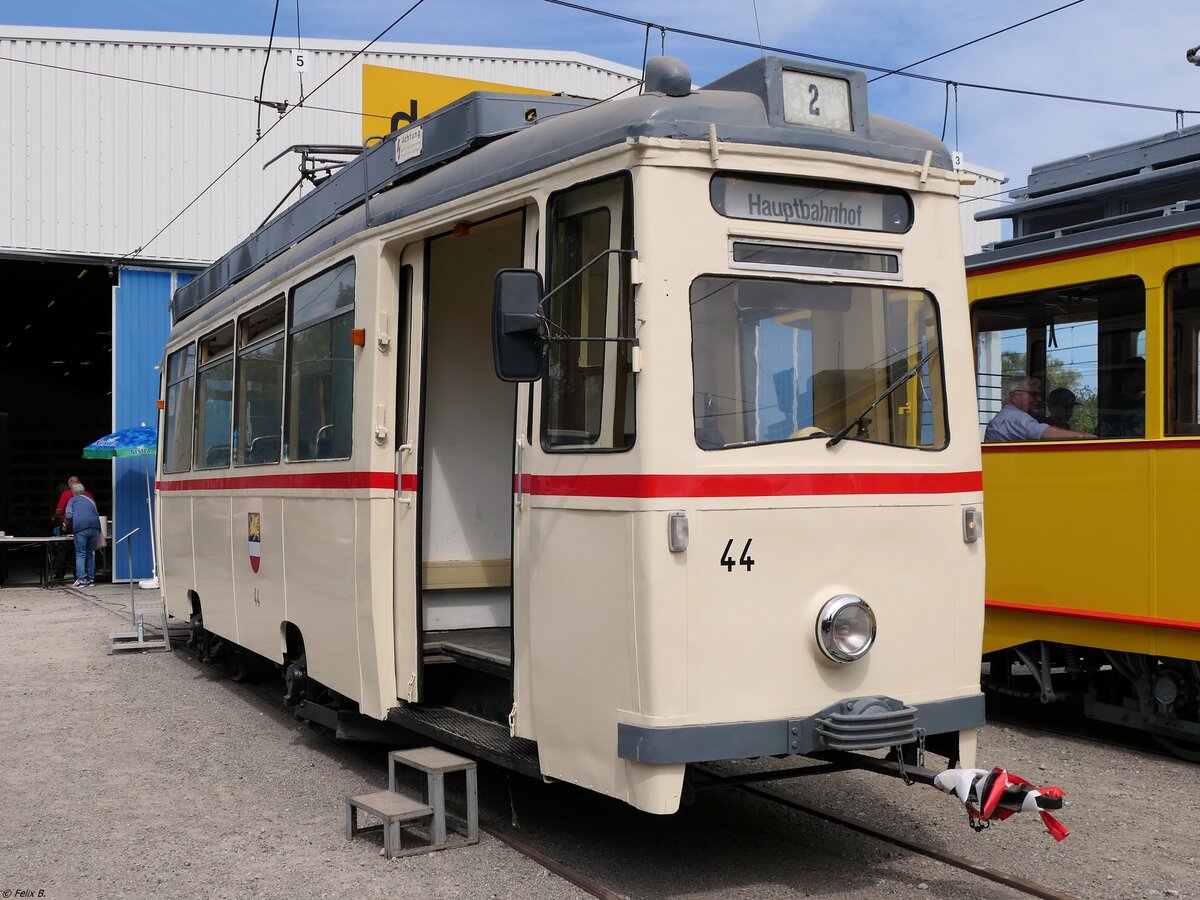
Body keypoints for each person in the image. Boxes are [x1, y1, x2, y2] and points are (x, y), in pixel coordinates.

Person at [984, 375, 1096, 442]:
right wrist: (1083, 436)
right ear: (1014, 396)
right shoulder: (1014, 417)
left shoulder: (1008, 416)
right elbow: (1040, 432)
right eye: (1033, 394)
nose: (1038, 399)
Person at [51, 476, 92, 582]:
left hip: (69, 525)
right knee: (81, 551)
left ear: (69, 485)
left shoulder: (67, 494)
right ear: (80, 483)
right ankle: (79, 575)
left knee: (63, 549)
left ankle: (60, 574)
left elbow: (61, 510)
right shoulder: (88, 495)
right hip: (87, 525)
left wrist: (54, 518)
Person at [65, 482, 102, 588]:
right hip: (95, 527)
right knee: (90, 553)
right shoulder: (91, 500)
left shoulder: (72, 500)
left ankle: (80, 580)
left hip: (81, 528)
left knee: (81, 554)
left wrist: (65, 525)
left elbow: (68, 515)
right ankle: (90, 580)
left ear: (73, 492)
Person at [1098, 357, 1145, 438]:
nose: (1147, 377)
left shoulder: (1152, 402)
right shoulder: (1112, 404)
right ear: (1127, 377)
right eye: (1142, 374)